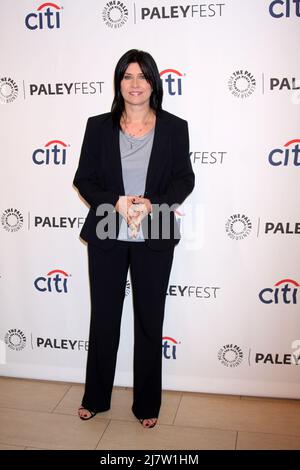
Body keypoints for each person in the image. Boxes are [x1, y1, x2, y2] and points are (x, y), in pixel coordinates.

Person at [73, 49, 195, 428]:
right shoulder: (98, 126)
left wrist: (151, 205)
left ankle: (147, 405)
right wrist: (119, 202)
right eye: (127, 76)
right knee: (105, 317)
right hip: (109, 227)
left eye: (143, 76)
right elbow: (84, 179)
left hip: (155, 229)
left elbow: (184, 179)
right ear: (118, 82)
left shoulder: (175, 127)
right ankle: (96, 397)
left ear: (154, 82)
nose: (135, 84)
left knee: (148, 320)